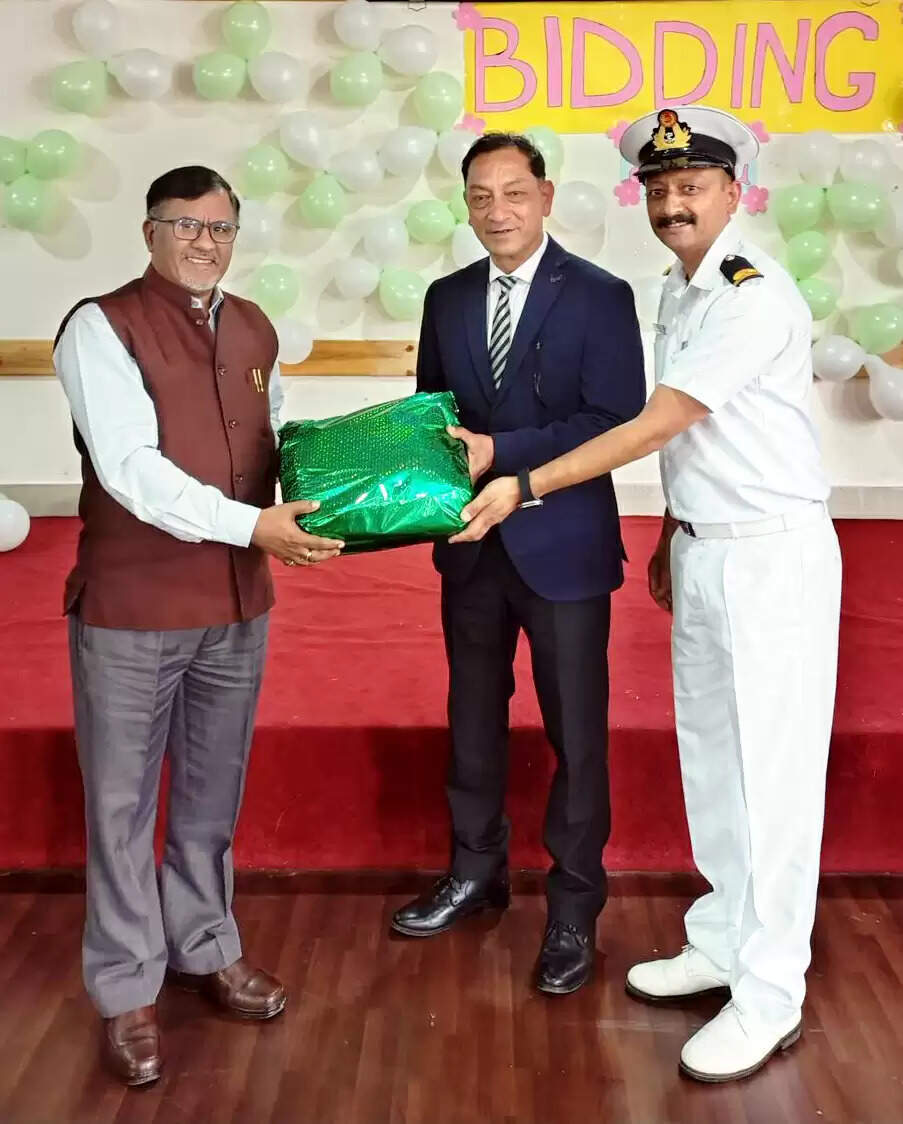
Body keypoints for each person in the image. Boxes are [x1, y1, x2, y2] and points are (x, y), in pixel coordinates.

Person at [451, 106, 842, 1082]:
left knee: (772, 781)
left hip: (771, 559)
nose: (674, 204)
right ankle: (722, 939)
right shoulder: (681, 288)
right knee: (714, 759)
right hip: (709, 548)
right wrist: (673, 530)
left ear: (733, 193)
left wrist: (527, 483)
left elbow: (658, 421)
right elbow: (709, 439)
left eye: (692, 187)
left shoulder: (750, 294)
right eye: (660, 189)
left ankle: (770, 993)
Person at [54, 165, 343, 1086]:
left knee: (212, 797)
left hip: (237, 604)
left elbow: (275, 443)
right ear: (150, 232)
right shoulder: (100, 326)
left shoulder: (254, 325)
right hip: (134, 607)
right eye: (185, 225)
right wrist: (253, 527)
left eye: (219, 228)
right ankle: (125, 988)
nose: (203, 243)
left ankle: (205, 945)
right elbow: (131, 469)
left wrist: (353, 491)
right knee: (120, 806)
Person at [391, 133, 646, 997]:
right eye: (479, 196)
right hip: (470, 545)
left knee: (576, 733)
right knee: (471, 719)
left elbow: (612, 420)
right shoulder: (447, 297)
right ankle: (474, 873)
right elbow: (435, 419)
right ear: (465, 205)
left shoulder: (600, 295)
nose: (495, 211)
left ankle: (573, 910)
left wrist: (502, 453)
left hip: (561, 546)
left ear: (545, 197)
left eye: (512, 192)